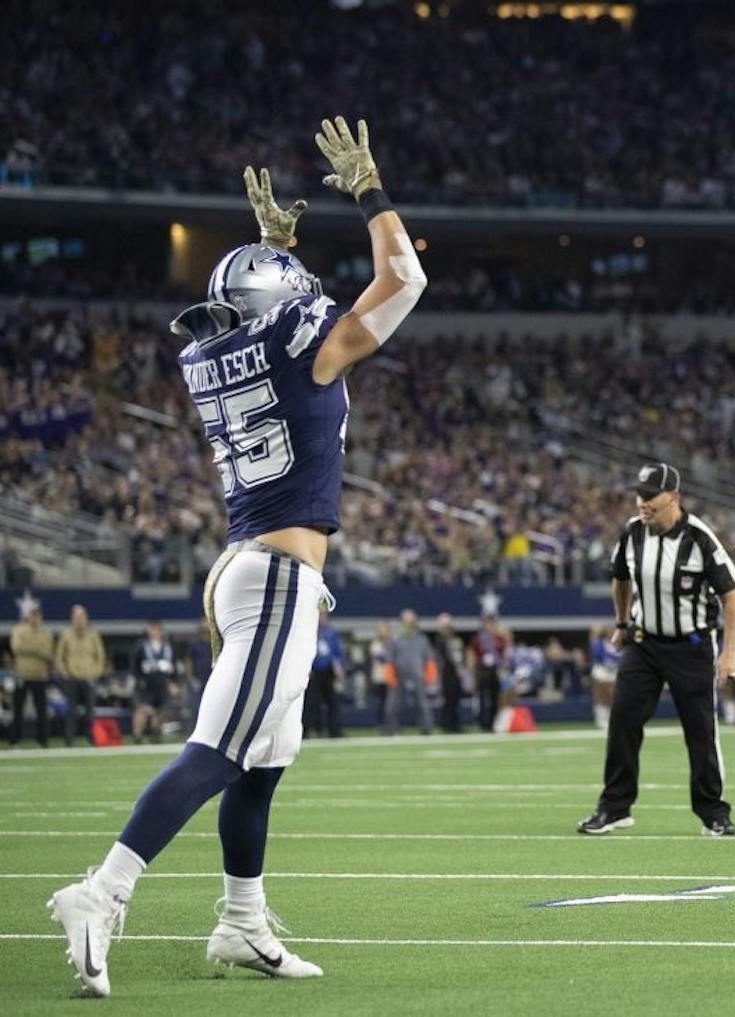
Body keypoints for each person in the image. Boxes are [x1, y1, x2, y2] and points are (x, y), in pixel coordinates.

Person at [48, 116, 426, 996]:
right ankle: (101, 892)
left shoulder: (211, 350)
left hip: (247, 567)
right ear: (286, 298)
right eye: (299, 281)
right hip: (277, 577)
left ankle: (242, 922)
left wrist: (270, 246)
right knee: (221, 750)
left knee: (265, 756)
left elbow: (254, 313)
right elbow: (403, 276)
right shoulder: (303, 341)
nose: (314, 295)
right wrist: (370, 191)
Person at [578, 462, 735, 837]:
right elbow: (620, 578)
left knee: (700, 730)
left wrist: (729, 651)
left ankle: (713, 812)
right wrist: (621, 623)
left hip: (692, 645)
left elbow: (732, 597)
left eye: (651, 497)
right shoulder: (632, 534)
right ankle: (615, 808)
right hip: (644, 642)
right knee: (622, 721)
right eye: (640, 496)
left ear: (674, 498)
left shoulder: (700, 538)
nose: (643, 503)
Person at [55, 604, 106, 747]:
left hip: (89, 678)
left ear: (86, 618)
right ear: (72, 618)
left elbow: (100, 656)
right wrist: (65, 673)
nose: (79, 620)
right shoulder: (66, 635)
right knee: (71, 711)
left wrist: (95, 673)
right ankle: (69, 741)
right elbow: (59, 657)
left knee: (90, 712)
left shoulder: (93, 634)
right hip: (72, 678)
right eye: (76, 617)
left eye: (81, 616)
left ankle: (91, 739)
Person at [9, 605, 53, 747]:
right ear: (28, 617)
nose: (34, 619)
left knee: (41, 709)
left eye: (37, 616)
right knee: (18, 709)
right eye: (32, 616)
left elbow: (47, 652)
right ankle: (15, 740)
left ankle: (43, 741)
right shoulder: (18, 630)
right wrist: (36, 648)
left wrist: (27, 647)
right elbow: (16, 648)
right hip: (22, 674)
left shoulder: (46, 633)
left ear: (40, 618)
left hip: (39, 675)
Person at [387, 609, 435, 736]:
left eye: (411, 621)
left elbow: (429, 658)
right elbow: (390, 659)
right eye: (407, 621)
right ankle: (392, 729)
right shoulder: (395, 638)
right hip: (398, 675)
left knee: (423, 704)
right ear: (402, 622)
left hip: (418, 675)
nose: (409, 623)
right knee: (393, 704)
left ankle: (426, 729)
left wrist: (430, 675)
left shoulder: (421, 639)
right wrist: (390, 676)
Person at [132, 621, 175, 744]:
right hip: (147, 682)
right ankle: (137, 734)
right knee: (142, 708)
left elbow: (173, 665)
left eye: (158, 630)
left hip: (161, 682)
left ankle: (156, 733)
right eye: (153, 630)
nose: (155, 633)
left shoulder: (167, 647)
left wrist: (172, 681)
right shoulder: (142, 646)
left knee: (159, 710)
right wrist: (139, 679)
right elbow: (135, 664)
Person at [304, 610, 345, 738]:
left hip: (328, 671)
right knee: (311, 703)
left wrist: (340, 668)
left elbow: (338, 652)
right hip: (314, 671)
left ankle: (334, 730)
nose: (322, 618)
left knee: (333, 702)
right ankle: (307, 730)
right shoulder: (309, 632)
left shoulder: (331, 632)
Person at [467, 612, 509, 732]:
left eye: (492, 622)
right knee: (481, 698)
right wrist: (472, 671)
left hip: (495, 670)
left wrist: (503, 668)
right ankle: (481, 723)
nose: (490, 625)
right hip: (482, 670)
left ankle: (492, 723)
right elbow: (472, 654)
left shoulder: (500, 639)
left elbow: (504, 655)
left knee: (495, 697)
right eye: (488, 622)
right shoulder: (479, 638)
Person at [432, 612, 466, 734]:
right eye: (445, 626)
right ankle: (447, 725)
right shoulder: (440, 640)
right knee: (447, 700)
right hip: (446, 673)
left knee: (455, 699)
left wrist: (461, 668)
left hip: (456, 673)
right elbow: (443, 657)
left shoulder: (456, 639)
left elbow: (460, 655)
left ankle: (455, 724)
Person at [589, 625, 619, 730]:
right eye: (610, 631)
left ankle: (613, 719)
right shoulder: (600, 643)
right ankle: (601, 719)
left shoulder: (619, 644)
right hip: (602, 671)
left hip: (615, 672)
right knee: (601, 695)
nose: (612, 633)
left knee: (614, 696)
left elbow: (622, 657)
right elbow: (599, 655)